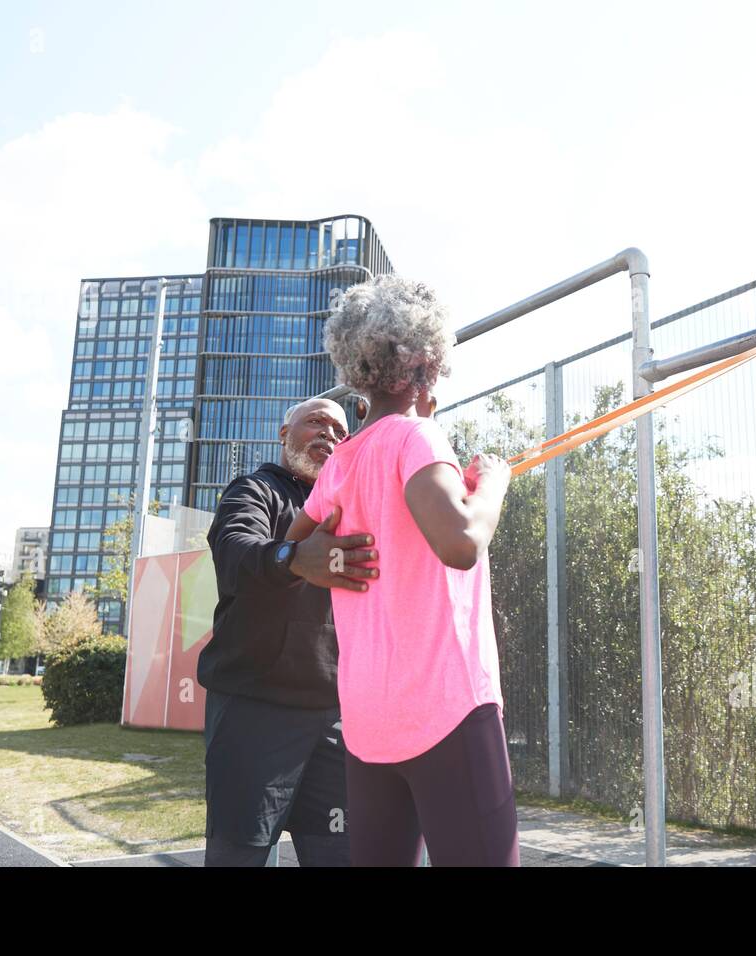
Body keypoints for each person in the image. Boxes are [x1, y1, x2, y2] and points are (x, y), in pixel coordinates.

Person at [286, 275, 519, 866]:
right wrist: (493, 481)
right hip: (446, 707)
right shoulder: (418, 436)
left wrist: (325, 566)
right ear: (426, 363)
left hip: (369, 721)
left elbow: (293, 550)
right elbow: (462, 541)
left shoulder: (342, 462)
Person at [199, 397, 380, 867]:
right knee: (238, 858)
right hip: (253, 711)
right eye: (315, 422)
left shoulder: (355, 504)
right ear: (283, 434)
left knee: (343, 856)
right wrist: (294, 557)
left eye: (340, 431)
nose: (329, 435)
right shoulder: (254, 490)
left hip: (335, 718)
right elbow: (236, 551)